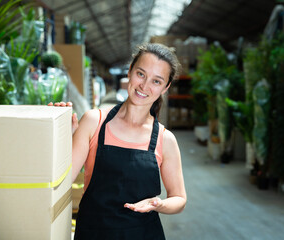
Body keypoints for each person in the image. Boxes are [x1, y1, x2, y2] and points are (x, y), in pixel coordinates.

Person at [50, 43, 187, 239]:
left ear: (166, 87)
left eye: (156, 81)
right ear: (130, 72)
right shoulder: (93, 122)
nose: (145, 86)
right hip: (93, 233)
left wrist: (159, 204)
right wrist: (57, 135)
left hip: (144, 234)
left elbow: (179, 199)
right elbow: (60, 182)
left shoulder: (166, 139)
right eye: (141, 74)